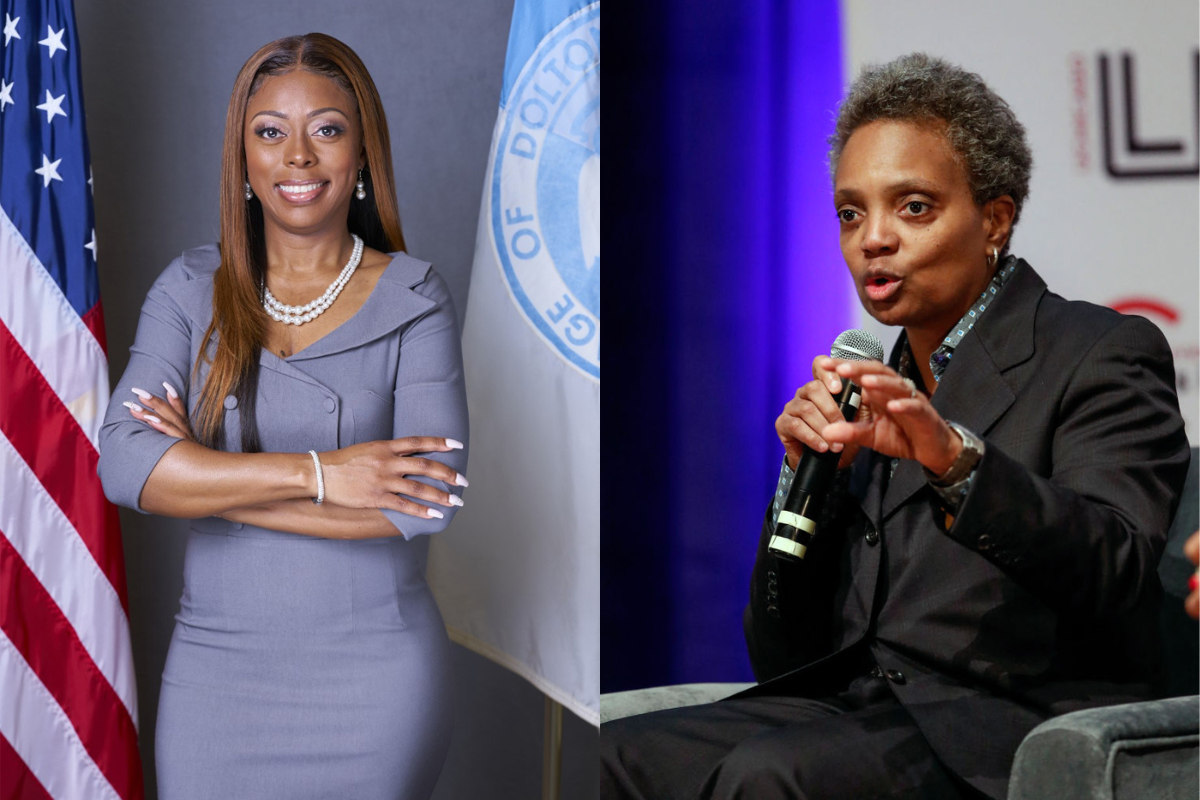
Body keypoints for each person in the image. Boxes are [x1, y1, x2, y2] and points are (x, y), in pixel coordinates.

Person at [601, 53, 1189, 800]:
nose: (872, 239)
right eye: (852, 212)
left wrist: (957, 463)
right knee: (605, 759)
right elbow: (781, 658)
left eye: (912, 207)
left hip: (1006, 724)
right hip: (854, 710)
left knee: (769, 776)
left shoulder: (1099, 350)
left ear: (995, 220)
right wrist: (804, 486)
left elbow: (1118, 567)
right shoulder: (869, 386)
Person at [97, 33, 467, 799]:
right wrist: (327, 475)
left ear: (362, 155)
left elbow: (427, 503)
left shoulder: (415, 295)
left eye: (327, 129)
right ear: (242, 159)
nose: (297, 156)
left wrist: (207, 482)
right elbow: (125, 466)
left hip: (375, 681)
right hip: (215, 674)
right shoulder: (187, 289)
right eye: (270, 132)